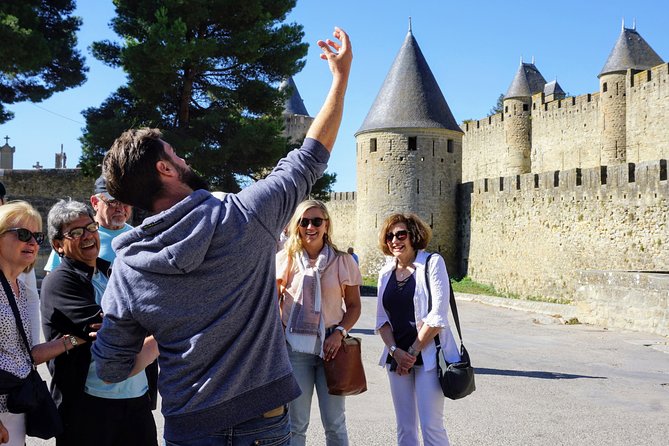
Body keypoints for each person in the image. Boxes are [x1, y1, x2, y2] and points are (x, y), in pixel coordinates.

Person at [91, 26, 352, 445]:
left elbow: (110, 368)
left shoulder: (128, 267)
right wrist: (340, 81)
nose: (183, 155)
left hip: (188, 427)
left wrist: (164, 337)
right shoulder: (244, 215)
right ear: (165, 170)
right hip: (262, 421)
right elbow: (309, 159)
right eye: (174, 153)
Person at [40, 199, 158, 446]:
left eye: (90, 227)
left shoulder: (112, 270)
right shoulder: (61, 281)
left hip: (136, 399)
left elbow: (151, 306)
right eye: (75, 232)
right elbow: (109, 329)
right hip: (90, 405)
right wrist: (150, 320)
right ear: (58, 245)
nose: (87, 236)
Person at [0, 201, 87, 446]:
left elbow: (26, 356)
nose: (33, 243)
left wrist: (79, 337)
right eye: (23, 234)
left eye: (37, 236)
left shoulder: (23, 289)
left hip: (16, 407)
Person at [276, 200, 362, 445]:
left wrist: (340, 333)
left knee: (335, 423)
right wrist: (283, 332)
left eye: (316, 221)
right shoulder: (286, 259)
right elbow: (272, 303)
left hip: (332, 346)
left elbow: (354, 306)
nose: (310, 227)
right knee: (295, 424)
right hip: (295, 349)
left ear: (326, 225)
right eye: (304, 221)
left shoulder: (343, 261)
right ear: (297, 226)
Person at [375, 213, 461, 446]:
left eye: (401, 234)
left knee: (431, 426)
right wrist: (396, 352)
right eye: (390, 236)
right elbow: (381, 321)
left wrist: (411, 353)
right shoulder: (385, 273)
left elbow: (437, 316)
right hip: (397, 358)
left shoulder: (432, 263)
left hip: (426, 356)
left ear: (413, 235)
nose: (395, 240)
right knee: (405, 428)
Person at [43, 175, 133, 272]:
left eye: (126, 202)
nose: (120, 209)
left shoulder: (138, 236)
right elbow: (53, 276)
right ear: (95, 203)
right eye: (113, 202)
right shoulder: (73, 235)